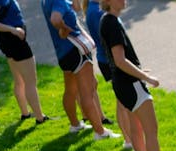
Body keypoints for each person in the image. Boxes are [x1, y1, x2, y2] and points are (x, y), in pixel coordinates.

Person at [99, 0, 174, 151]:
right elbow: (120, 60)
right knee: (151, 129)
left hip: (122, 83)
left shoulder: (106, 20)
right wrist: (145, 77)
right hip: (131, 83)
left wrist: (140, 71)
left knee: (137, 127)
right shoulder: (112, 23)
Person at [41, 0, 118, 139]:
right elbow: (55, 18)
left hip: (63, 53)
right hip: (75, 49)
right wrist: (64, 28)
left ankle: (75, 124)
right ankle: (100, 132)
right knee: (87, 92)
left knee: (71, 91)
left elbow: (75, 7)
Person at [0, 0, 50, 122]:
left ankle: (25, 113)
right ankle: (40, 117)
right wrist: (12, 29)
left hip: (7, 39)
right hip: (13, 40)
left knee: (19, 80)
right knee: (30, 82)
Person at [79, 0, 127, 147]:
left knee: (123, 100)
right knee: (124, 101)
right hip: (109, 59)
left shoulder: (93, 8)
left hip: (106, 58)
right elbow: (108, 37)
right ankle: (128, 138)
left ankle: (128, 138)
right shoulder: (97, 11)